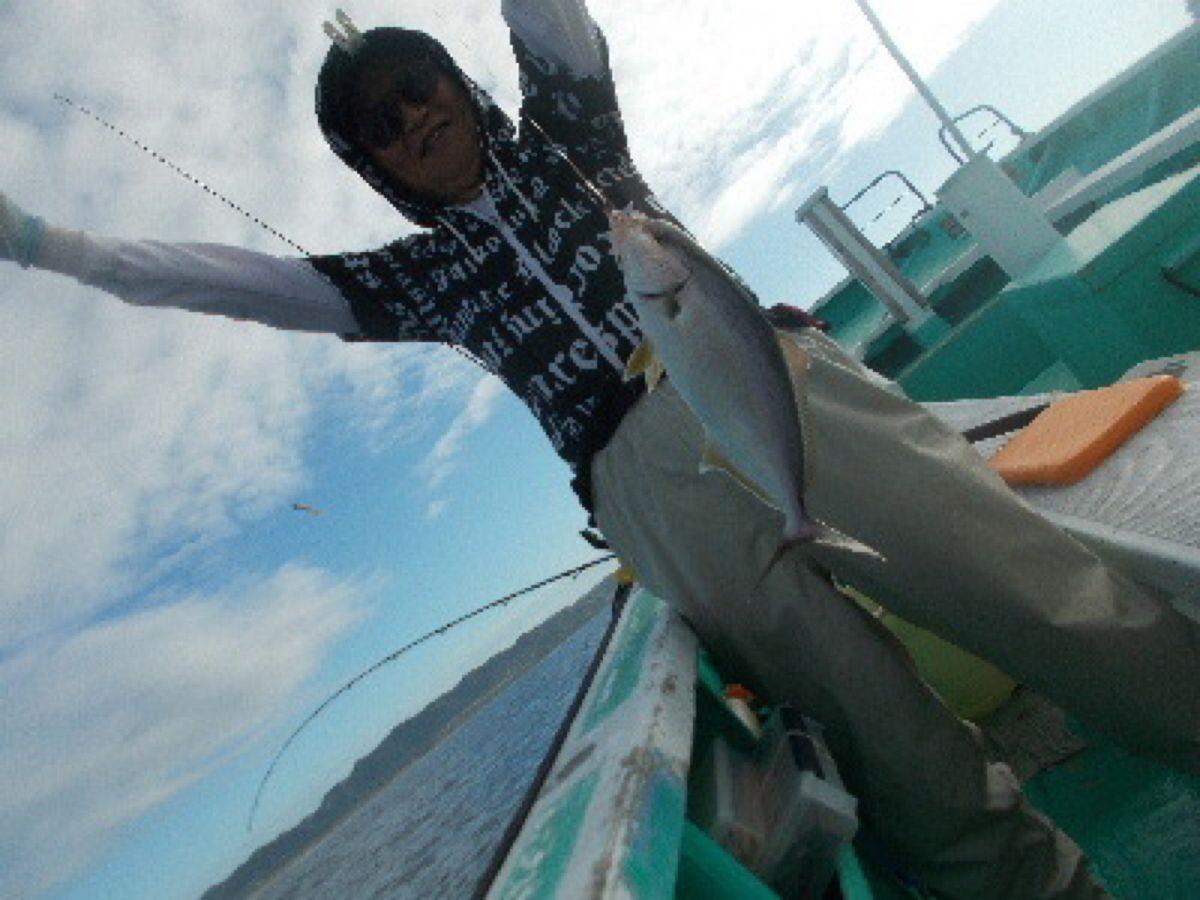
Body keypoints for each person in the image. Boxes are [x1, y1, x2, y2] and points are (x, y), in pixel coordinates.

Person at [3, 2, 1198, 897]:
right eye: (383, 124)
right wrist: (53, 245)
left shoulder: (570, 129)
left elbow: (550, 15)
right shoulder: (413, 283)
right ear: (371, 166)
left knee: (1036, 587)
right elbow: (237, 284)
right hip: (652, 497)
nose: (416, 116)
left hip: (780, 394)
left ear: (463, 86)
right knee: (890, 743)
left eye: (422, 86)